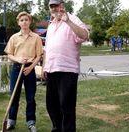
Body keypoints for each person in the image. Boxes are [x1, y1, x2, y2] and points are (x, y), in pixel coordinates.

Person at [41, 0, 89, 132]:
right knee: (52, 105)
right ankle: (56, 129)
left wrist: (68, 21)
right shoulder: (51, 25)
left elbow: (84, 35)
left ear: (62, 5)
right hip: (51, 69)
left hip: (67, 70)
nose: (54, 8)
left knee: (66, 106)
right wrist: (45, 66)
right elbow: (47, 49)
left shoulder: (73, 19)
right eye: (51, 6)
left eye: (56, 5)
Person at [4, 11, 43, 132]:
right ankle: (11, 121)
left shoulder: (36, 37)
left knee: (30, 97)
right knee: (14, 96)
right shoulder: (14, 37)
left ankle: (31, 122)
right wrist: (18, 59)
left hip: (29, 69)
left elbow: (39, 56)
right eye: (21, 20)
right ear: (18, 23)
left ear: (30, 22)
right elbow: (9, 54)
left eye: (26, 19)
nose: (24, 22)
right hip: (17, 68)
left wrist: (31, 68)